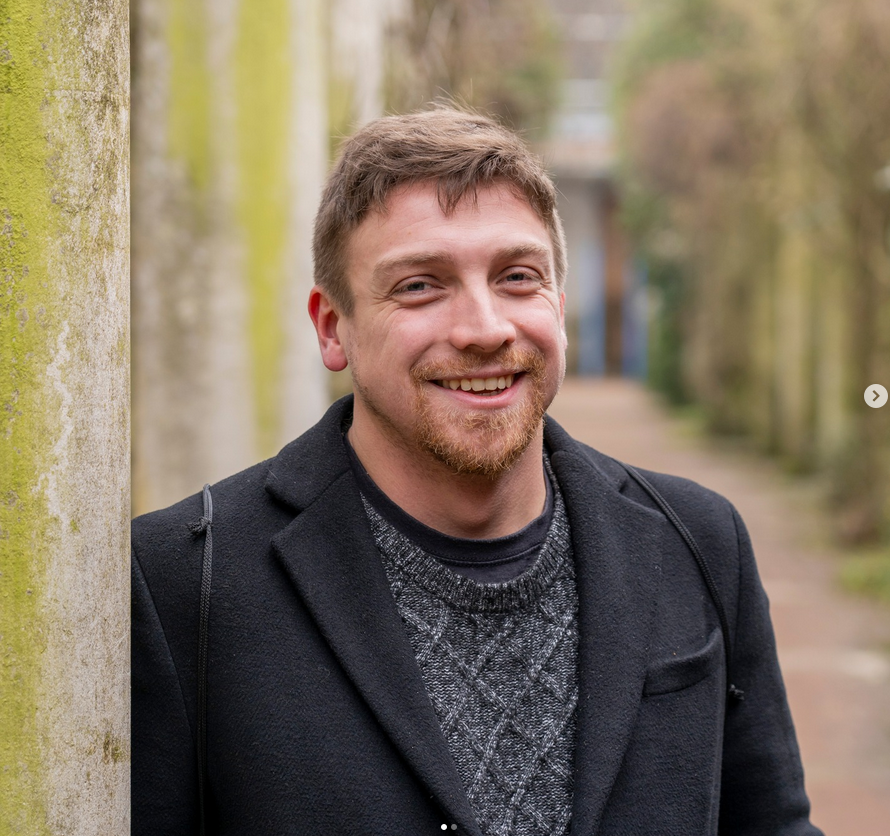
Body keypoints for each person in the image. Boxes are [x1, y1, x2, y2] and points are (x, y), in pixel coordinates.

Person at [132, 108, 823, 835]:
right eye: (420, 286)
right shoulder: (185, 580)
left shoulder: (699, 541)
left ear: (558, 303)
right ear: (334, 328)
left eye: (518, 277)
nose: (486, 329)